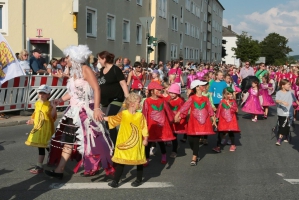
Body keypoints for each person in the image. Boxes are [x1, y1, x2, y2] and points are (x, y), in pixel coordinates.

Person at [45, 45, 114, 179]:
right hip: (73, 110)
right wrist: (59, 99)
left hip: (85, 110)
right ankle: (60, 170)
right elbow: (73, 93)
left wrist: (97, 109)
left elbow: (97, 89)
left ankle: (107, 164)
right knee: (68, 140)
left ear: (75, 57)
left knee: (94, 140)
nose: (66, 59)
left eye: (68, 57)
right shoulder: (73, 71)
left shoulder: (85, 69)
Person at [104, 93, 148, 188]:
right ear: (132, 103)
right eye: (138, 102)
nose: (140, 104)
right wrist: (101, 117)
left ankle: (138, 179)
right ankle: (115, 181)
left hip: (136, 143)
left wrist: (146, 139)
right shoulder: (123, 114)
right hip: (124, 142)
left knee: (138, 162)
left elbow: (144, 127)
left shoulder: (140, 116)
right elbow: (113, 119)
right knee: (121, 162)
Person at [175, 80, 216, 166]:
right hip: (193, 122)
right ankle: (195, 151)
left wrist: (213, 119)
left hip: (201, 122)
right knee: (190, 139)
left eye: (204, 85)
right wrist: (177, 115)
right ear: (197, 87)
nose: (204, 87)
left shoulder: (205, 98)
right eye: (202, 85)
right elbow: (185, 107)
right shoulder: (192, 98)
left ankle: (194, 156)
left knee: (196, 139)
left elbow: (209, 109)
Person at [97, 51, 129, 145]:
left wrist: (128, 98)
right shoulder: (101, 70)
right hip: (104, 101)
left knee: (109, 121)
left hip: (116, 99)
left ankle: (115, 145)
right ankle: (110, 142)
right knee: (103, 122)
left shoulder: (115, 69)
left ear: (104, 59)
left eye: (99, 59)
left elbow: (123, 83)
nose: (98, 61)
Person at [25, 85, 57, 174]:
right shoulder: (37, 103)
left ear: (48, 95)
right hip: (39, 129)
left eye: (44, 93)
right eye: (40, 93)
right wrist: (31, 120)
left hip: (47, 129)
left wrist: (54, 108)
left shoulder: (50, 104)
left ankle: (56, 160)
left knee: (48, 146)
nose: (41, 95)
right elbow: (36, 114)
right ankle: (40, 165)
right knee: (42, 147)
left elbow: (52, 116)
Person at [142, 82, 175, 166]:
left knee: (161, 142)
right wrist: (143, 124)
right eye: (158, 89)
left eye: (160, 89)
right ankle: (146, 158)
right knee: (148, 143)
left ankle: (164, 155)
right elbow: (144, 113)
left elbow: (168, 111)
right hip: (151, 125)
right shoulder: (147, 101)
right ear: (152, 91)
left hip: (162, 125)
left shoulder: (162, 100)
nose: (160, 90)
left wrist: (172, 119)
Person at [212, 88, 240, 153]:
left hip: (231, 119)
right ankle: (218, 146)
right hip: (223, 120)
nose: (230, 96)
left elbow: (236, 110)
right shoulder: (222, 101)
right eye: (228, 94)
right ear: (224, 94)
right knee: (220, 133)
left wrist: (230, 105)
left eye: (230, 94)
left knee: (231, 132)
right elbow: (219, 110)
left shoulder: (233, 101)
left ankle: (233, 144)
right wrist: (216, 118)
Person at [275, 79, 299, 145]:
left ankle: (283, 136)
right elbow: (276, 100)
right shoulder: (279, 92)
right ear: (283, 85)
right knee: (282, 125)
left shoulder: (291, 93)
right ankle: (282, 137)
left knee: (287, 125)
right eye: (288, 84)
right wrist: (282, 102)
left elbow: (296, 100)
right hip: (281, 112)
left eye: (290, 84)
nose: (290, 85)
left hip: (289, 112)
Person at [168, 84, 186, 158]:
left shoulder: (180, 101)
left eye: (173, 93)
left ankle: (174, 151)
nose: (171, 94)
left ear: (177, 93)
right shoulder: (169, 100)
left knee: (174, 136)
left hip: (177, 121)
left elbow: (184, 111)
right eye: (170, 93)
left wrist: (180, 117)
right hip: (171, 121)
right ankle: (175, 146)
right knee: (172, 136)